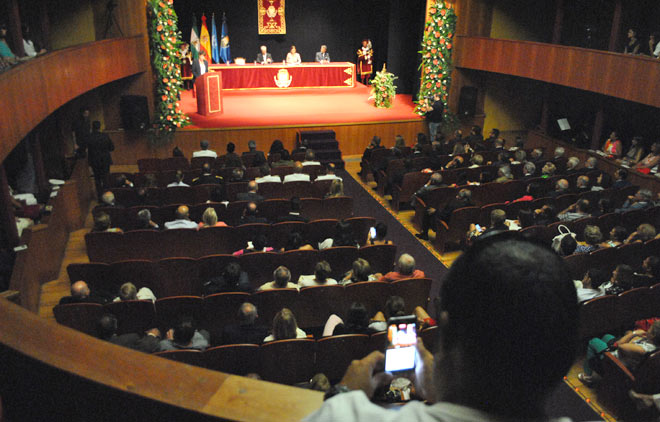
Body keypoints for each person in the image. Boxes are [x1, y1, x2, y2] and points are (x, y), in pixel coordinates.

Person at [308, 234, 579, 421]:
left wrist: (343, 395)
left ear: (446, 333)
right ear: (566, 352)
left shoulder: (342, 416)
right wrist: (444, 394)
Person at [579, 321, 660, 386]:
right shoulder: (653, 344)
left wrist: (634, 334)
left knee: (593, 341)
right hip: (622, 354)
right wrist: (632, 336)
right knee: (606, 336)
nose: (647, 329)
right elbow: (628, 337)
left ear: (652, 336)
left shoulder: (643, 350)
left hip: (614, 362)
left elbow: (619, 345)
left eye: (649, 328)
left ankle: (589, 377)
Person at [87, 121, 115, 199]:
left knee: (97, 179)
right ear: (100, 127)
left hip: (95, 161)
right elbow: (112, 148)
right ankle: (107, 197)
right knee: (106, 178)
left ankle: (100, 197)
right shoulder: (105, 136)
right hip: (105, 160)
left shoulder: (90, 137)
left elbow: (88, 150)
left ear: (92, 127)